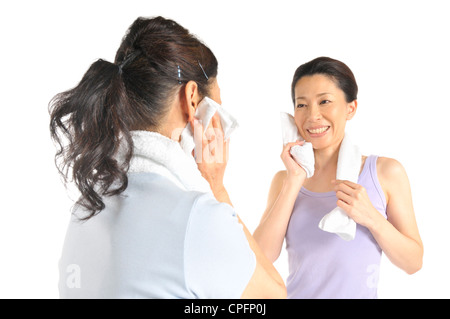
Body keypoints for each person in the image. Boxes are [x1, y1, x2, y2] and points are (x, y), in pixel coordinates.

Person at [50, 16, 286, 299]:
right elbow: (273, 295)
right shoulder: (198, 218)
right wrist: (216, 187)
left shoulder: (85, 209)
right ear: (193, 101)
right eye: (218, 110)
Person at [253, 57, 423, 298]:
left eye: (324, 102)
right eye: (302, 105)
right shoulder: (284, 180)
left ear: (350, 108)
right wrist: (293, 181)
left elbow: (413, 262)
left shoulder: (385, 172)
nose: (312, 116)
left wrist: (373, 219)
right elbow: (260, 258)